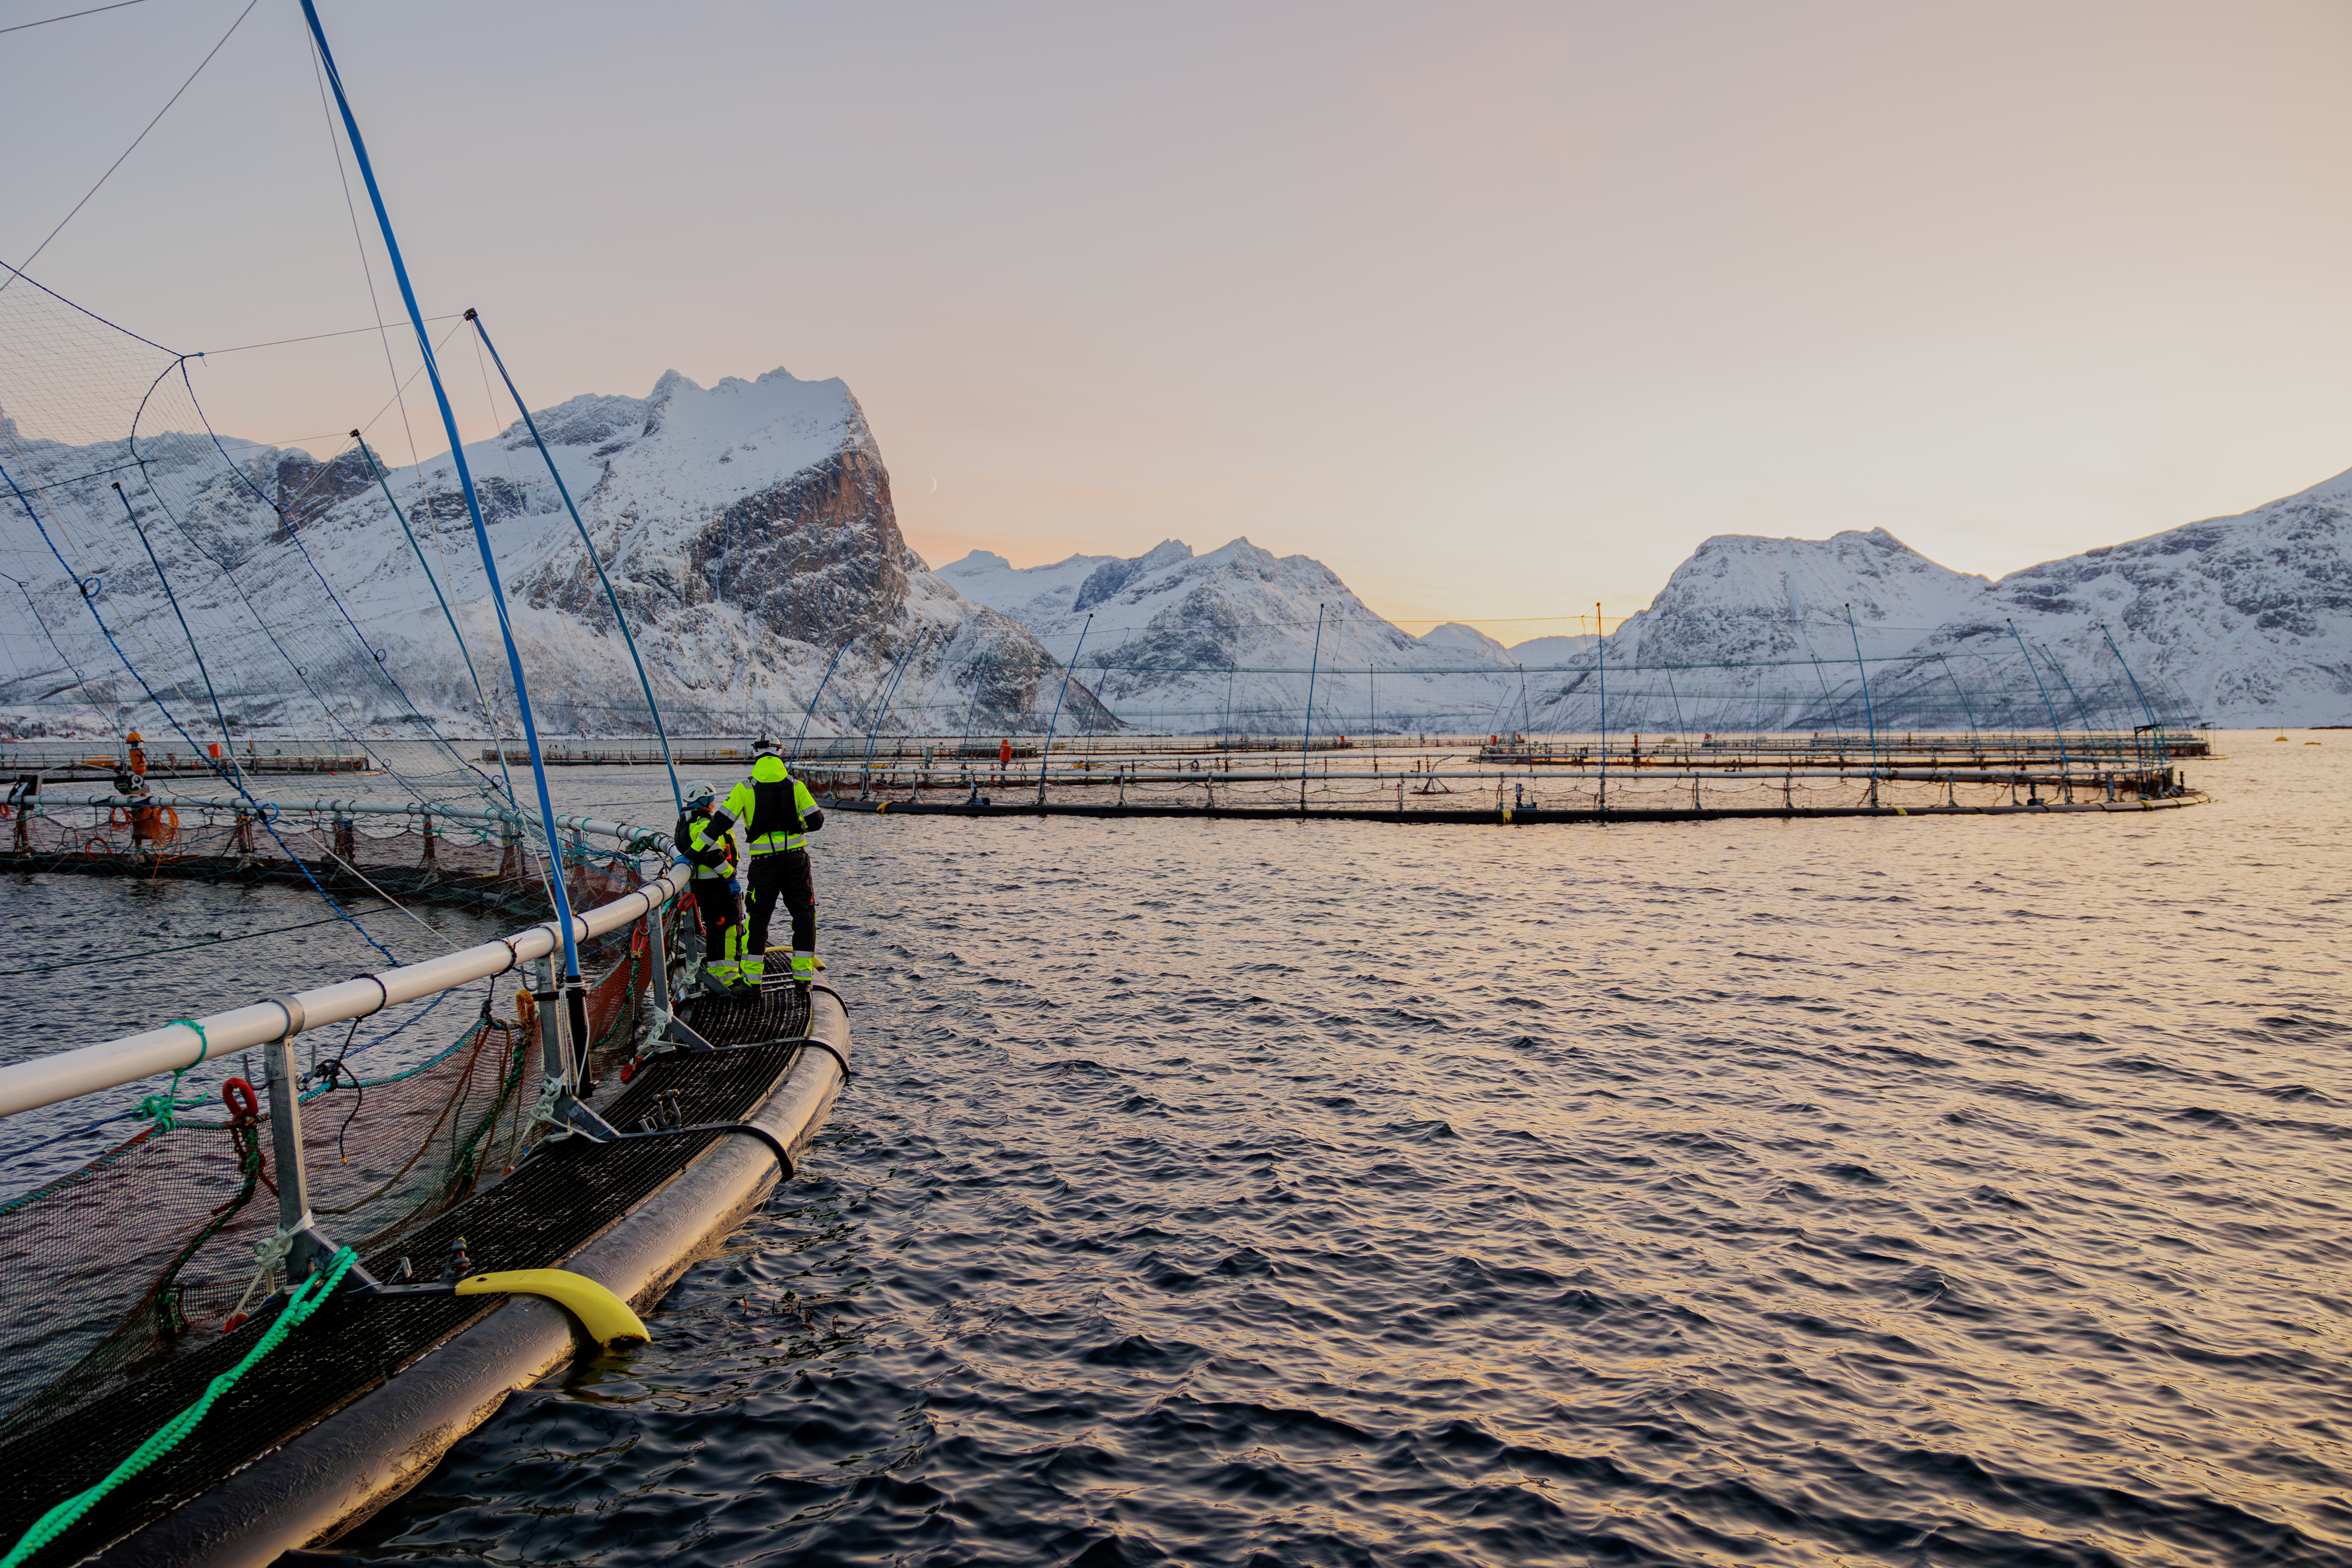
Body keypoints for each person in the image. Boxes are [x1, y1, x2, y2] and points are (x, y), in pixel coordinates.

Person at [717, 736, 825, 989]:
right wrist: (797, 826)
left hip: (763, 865)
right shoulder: (796, 786)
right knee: (804, 915)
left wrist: (691, 853)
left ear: (756, 755)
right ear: (779, 754)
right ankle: (803, 979)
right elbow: (817, 821)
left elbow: (719, 824)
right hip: (796, 861)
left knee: (758, 919)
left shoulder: (745, 788)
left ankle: (752, 982)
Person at [673, 780, 747, 989]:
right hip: (718, 886)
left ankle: (716, 974)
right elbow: (713, 856)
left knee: (716, 929)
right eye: (712, 799)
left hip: (704, 887)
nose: (715, 803)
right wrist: (731, 877)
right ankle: (729, 979)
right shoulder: (704, 823)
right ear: (704, 800)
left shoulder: (686, 820)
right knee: (729, 928)